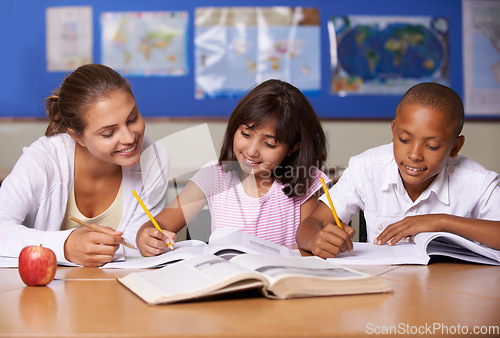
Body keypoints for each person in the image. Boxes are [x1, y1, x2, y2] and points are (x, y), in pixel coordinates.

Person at [296, 82, 500, 258]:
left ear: (455, 147)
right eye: (404, 140)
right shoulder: (367, 168)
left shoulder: (477, 181)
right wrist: (316, 240)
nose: (414, 154)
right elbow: (310, 224)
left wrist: (441, 222)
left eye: (432, 146)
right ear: (393, 131)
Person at [136, 79, 330, 256]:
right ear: (234, 128)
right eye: (246, 134)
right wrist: (147, 236)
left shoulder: (307, 182)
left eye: (269, 144)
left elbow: (309, 252)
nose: (252, 151)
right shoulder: (213, 176)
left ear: (293, 147)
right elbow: (160, 224)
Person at [0, 64, 169, 266]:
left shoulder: (153, 158)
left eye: (132, 119)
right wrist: (65, 246)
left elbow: (131, 243)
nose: (129, 137)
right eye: (108, 133)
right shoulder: (43, 160)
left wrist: (145, 240)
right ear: (76, 136)